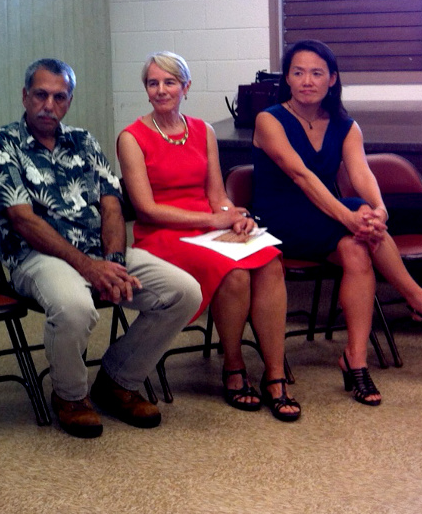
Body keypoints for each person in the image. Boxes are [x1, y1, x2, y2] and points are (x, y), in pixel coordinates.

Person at [0, 58, 201, 438]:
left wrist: (112, 263)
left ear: (69, 100)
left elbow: (111, 203)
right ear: (25, 96)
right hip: (37, 256)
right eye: (41, 95)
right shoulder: (1, 145)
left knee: (183, 292)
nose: (49, 105)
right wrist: (88, 267)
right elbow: (23, 220)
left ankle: (117, 380)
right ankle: (70, 396)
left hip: (98, 251)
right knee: (75, 307)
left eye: (60, 97)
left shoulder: (83, 141)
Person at [253, 40, 422, 406]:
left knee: (357, 248)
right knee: (355, 214)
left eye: (317, 73)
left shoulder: (344, 125)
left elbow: (362, 172)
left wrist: (379, 209)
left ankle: (356, 361)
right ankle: (418, 299)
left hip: (327, 217)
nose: (307, 80)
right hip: (279, 220)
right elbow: (301, 176)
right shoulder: (269, 119)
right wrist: (351, 215)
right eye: (298, 72)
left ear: (332, 79)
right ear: (286, 78)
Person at [117, 52, 299, 422]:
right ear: (146, 89)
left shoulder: (203, 131)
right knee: (232, 273)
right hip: (162, 235)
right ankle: (233, 367)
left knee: (270, 262)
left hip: (209, 226)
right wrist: (213, 220)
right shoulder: (131, 138)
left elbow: (218, 194)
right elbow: (147, 209)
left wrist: (235, 216)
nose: (161, 90)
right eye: (153, 83)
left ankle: (275, 374)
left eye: (170, 82)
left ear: (186, 87)